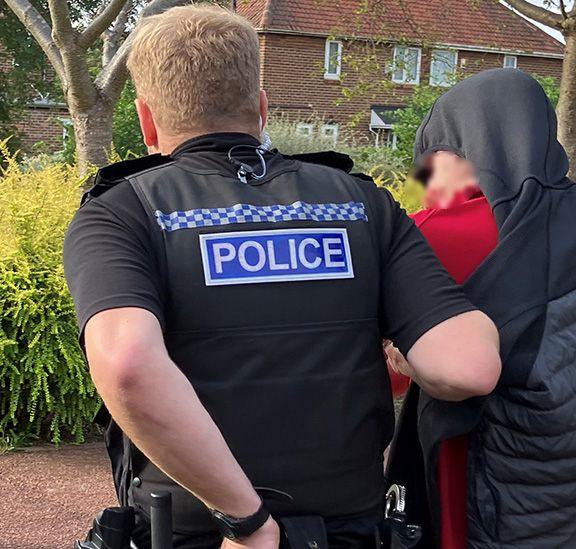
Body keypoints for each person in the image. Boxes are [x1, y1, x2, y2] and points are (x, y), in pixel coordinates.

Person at [62, 6, 501, 549]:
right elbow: (467, 366)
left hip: (200, 531)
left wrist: (247, 522)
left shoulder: (121, 212)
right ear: (262, 109)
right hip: (353, 530)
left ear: (147, 118)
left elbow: (127, 363)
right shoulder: (363, 204)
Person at [385, 69, 576, 549]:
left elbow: (394, 374)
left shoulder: (434, 232)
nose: (423, 177)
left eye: (431, 155)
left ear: (465, 149)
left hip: (483, 463)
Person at [385, 150, 498, 549]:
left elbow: (392, 375)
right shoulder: (553, 220)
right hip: (551, 437)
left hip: (450, 431)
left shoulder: (420, 231)